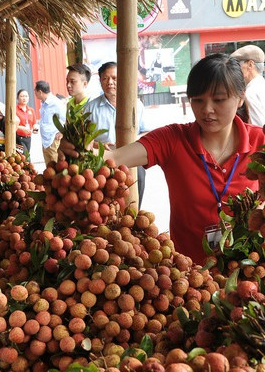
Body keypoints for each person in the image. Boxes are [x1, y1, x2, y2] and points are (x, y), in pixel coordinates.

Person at [60, 53, 265, 265]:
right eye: (198, 100)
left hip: (251, 273)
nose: (207, 110)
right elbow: (113, 158)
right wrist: (77, 150)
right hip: (188, 278)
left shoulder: (261, 142)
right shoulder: (173, 139)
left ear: (240, 97)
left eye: (219, 100)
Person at [84, 61, 149, 207]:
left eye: (114, 78)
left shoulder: (136, 105)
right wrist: (97, 145)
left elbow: (145, 131)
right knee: (107, 205)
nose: (110, 82)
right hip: (103, 162)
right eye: (105, 79)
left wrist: (133, 141)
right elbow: (84, 139)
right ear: (100, 81)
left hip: (132, 158)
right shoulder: (91, 108)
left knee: (134, 202)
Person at [231, 45, 265, 126]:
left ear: (250, 64)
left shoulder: (250, 94)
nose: (233, 69)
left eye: (237, 65)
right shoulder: (261, 86)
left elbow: (258, 128)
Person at [35, 80, 66, 166]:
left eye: (35, 92)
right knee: (48, 166)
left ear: (40, 92)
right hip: (45, 140)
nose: (35, 94)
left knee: (55, 164)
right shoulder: (44, 103)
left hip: (53, 139)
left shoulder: (56, 103)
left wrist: (62, 132)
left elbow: (66, 118)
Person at [15, 89, 38, 158]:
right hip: (18, 138)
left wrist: (35, 129)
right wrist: (21, 128)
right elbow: (12, 125)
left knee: (25, 156)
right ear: (17, 98)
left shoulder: (31, 110)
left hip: (28, 138)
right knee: (26, 157)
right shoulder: (15, 110)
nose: (24, 98)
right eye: (22, 96)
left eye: (26, 96)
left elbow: (34, 123)